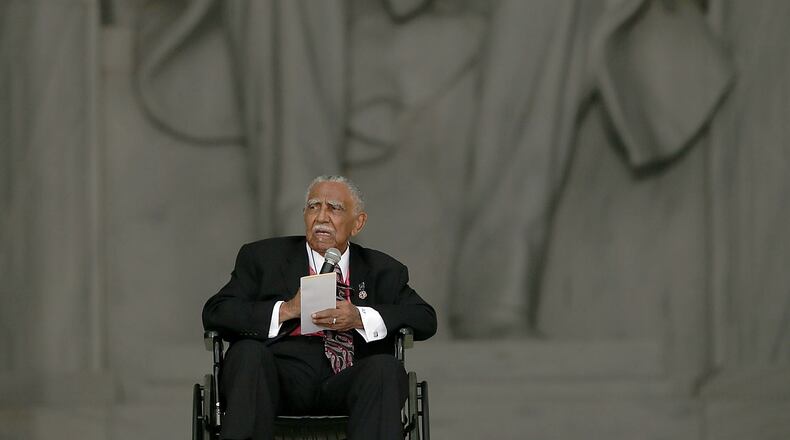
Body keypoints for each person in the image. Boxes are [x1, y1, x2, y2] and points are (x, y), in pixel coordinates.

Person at [202, 175, 437, 440]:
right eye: (314, 207)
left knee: (385, 368)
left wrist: (359, 318)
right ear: (304, 215)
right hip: (277, 377)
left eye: (334, 208)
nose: (322, 217)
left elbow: (425, 318)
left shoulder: (383, 270)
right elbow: (216, 312)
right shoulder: (262, 258)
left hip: (349, 379)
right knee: (248, 353)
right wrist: (287, 309)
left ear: (357, 223)